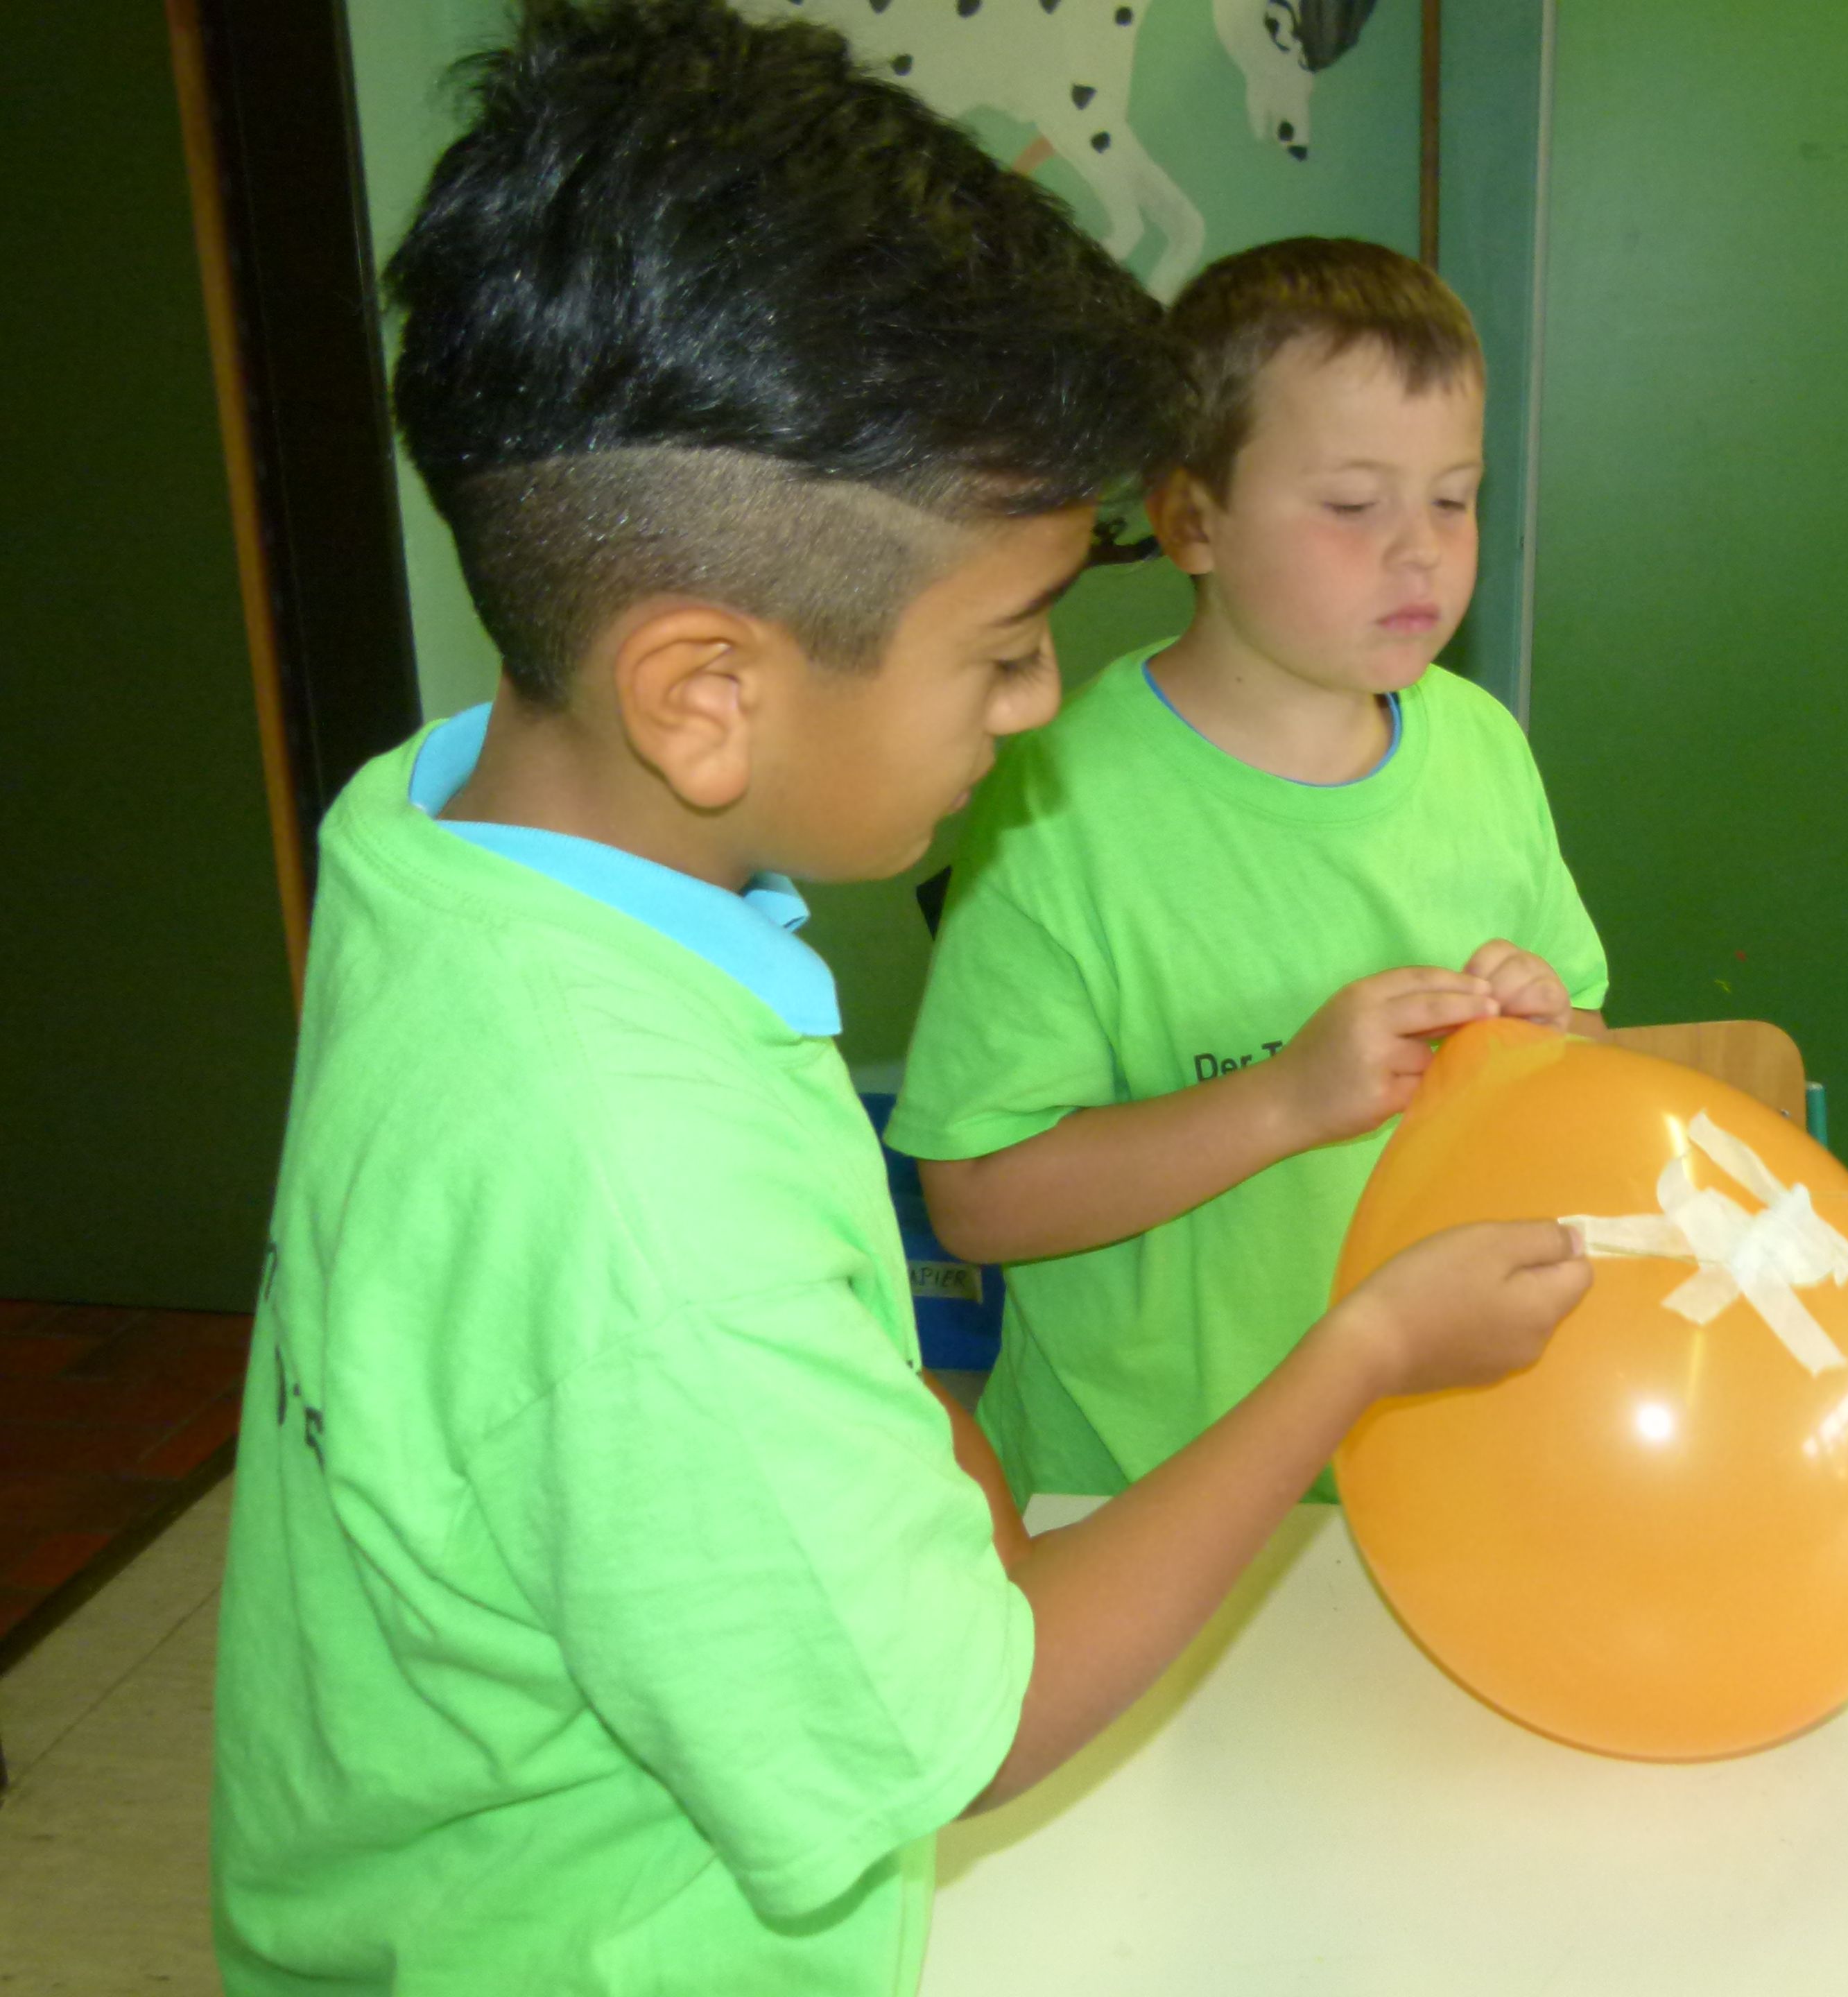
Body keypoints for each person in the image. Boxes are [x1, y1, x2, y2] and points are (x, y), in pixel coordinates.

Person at [208, 8, 1591, 1991]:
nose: (1037, 705)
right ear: (707, 694)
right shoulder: (643, 1205)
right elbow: (967, 1731)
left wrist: (871, 1406)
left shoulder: (425, 829)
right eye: (1007, 645)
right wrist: (1358, 1350)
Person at [890, 239, 1610, 1501]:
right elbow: (977, 1203)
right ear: (1192, 519)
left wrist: (1547, 1045)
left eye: (1454, 497)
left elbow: (1589, 1052)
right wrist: (1285, 1100)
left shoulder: (1486, 749)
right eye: (1352, 505)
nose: (1421, 552)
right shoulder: (1059, 808)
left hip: (1419, 1477)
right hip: (1130, 1495)